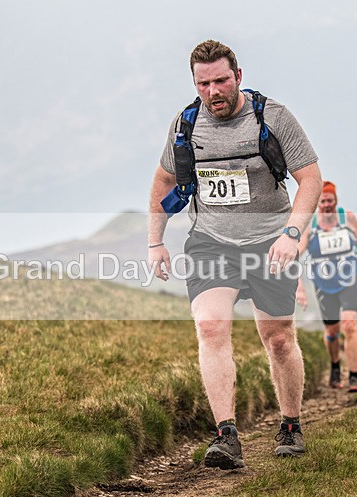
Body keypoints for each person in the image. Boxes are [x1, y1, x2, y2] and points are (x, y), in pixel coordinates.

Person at [148, 40, 322, 469]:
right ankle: (226, 435)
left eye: (221, 80)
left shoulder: (272, 117)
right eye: (203, 83)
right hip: (212, 241)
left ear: (238, 77)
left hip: (271, 242)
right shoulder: (186, 124)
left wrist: (292, 234)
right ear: (195, 84)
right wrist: (155, 242)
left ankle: (291, 425)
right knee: (210, 327)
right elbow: (162, 183)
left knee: (278, 338)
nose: (214, 91)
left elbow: (311, 179)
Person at [296, 181, 357, 392]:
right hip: (323, 284)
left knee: (349, 325)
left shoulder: (348, 218)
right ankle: (335, 365)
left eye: (331, 201)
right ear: (317, 203)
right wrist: (299, 288)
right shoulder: (311, 224)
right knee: (332, 331)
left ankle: (355, 376)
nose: (327, 205)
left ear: (336, 201)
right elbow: (295, 257)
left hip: (350, 279)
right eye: (323, 201)